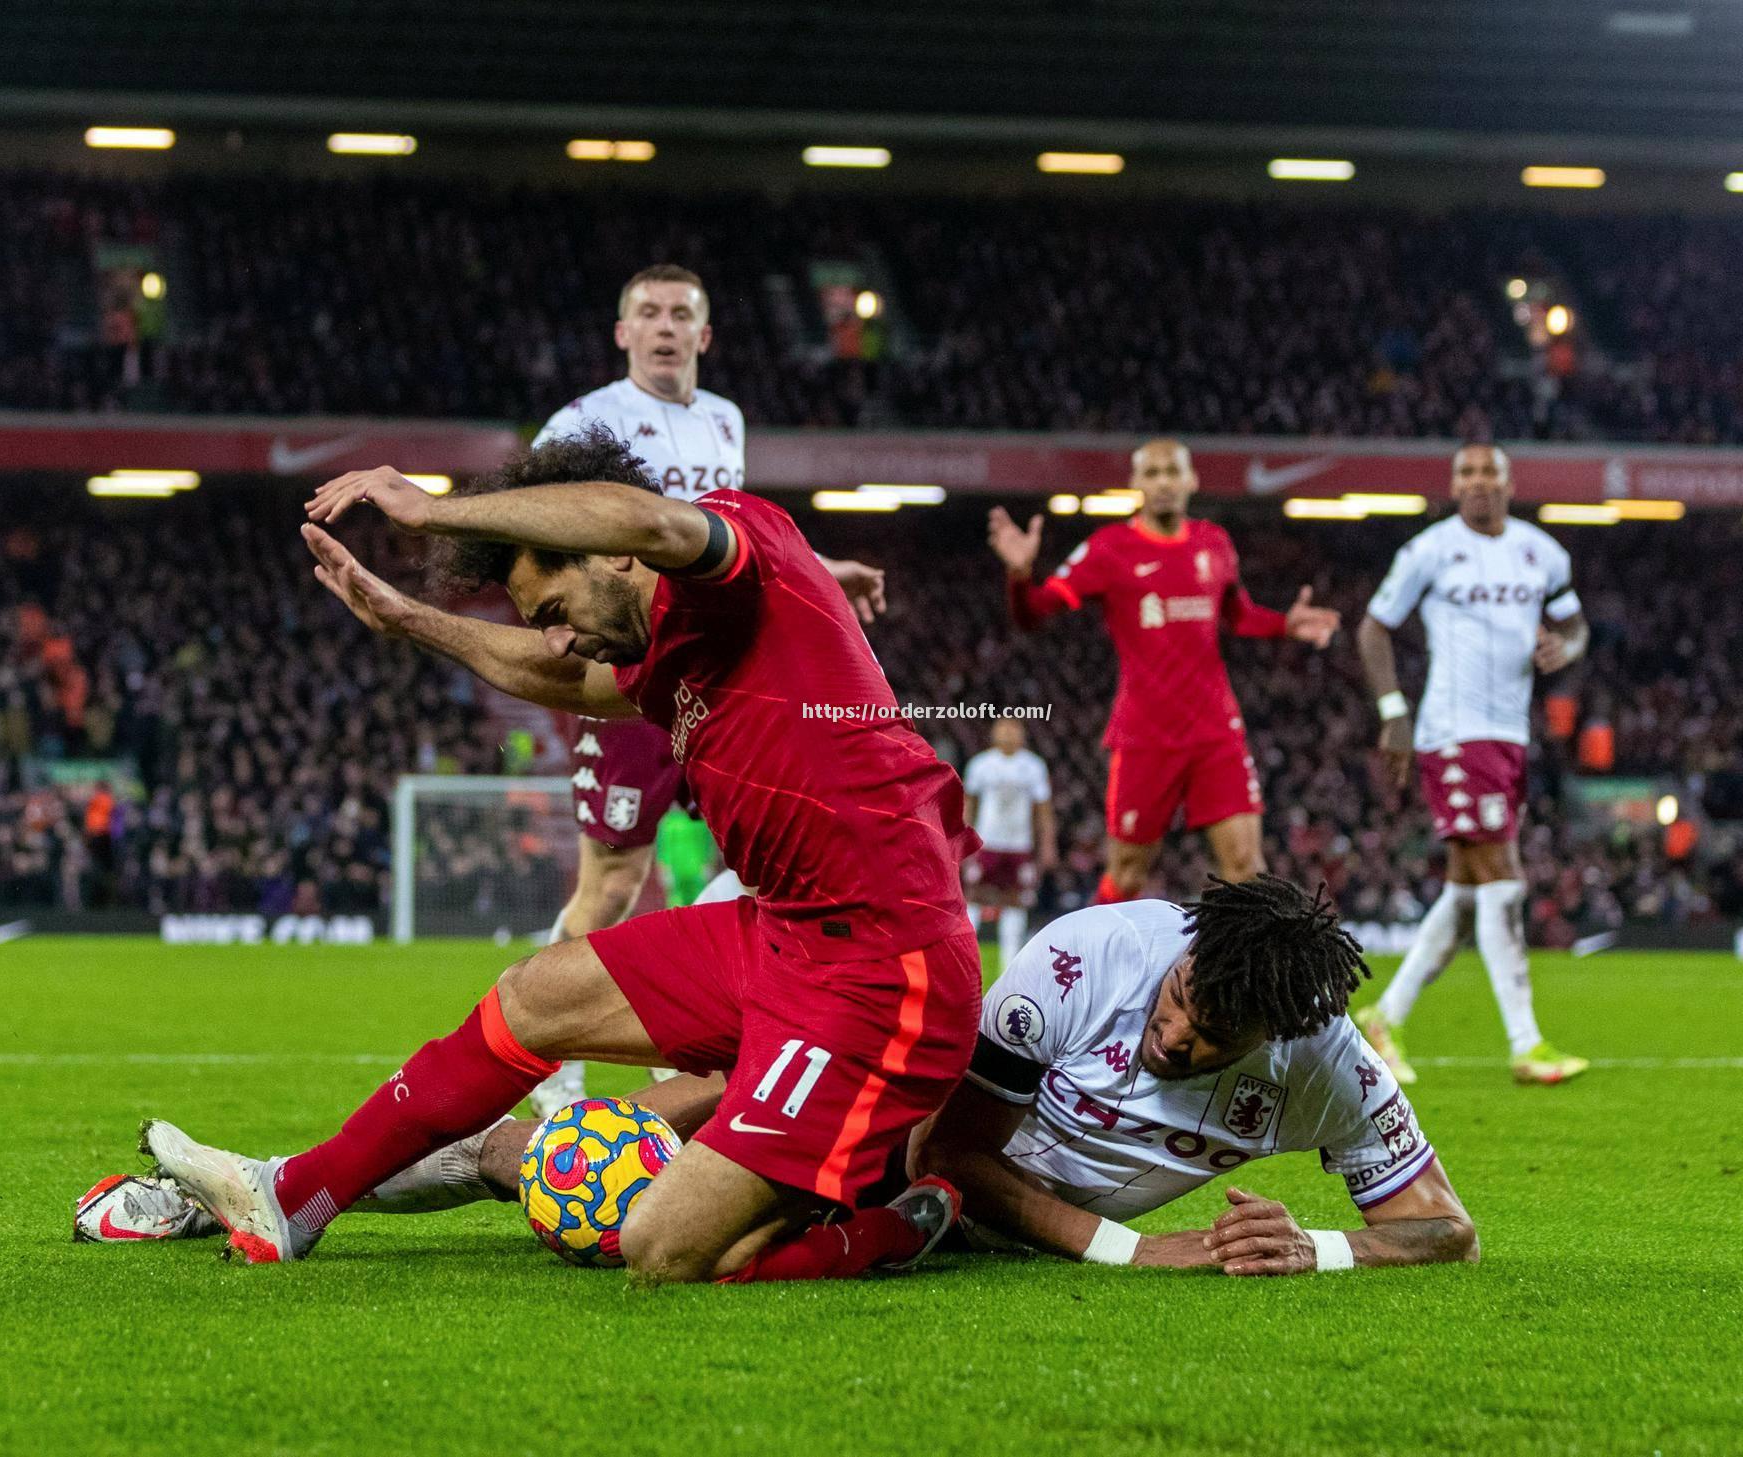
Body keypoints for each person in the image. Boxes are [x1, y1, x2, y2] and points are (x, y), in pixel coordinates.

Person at [138, 428, 982, 1283]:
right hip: (785, 936)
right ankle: (292, 1197)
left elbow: (644, 520)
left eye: (552, 611)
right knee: (533, 994)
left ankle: (882, 1224)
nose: (554, 638)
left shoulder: (740, 544)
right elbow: (569, 683)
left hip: (885, 967)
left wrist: (431, 512)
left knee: (664, 1250)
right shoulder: (660, 648)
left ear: (609, 556)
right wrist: (409, 618)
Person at [91, 877, 1477, 1281]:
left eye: (1208, 1043)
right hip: (908, 1142)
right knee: (576, 1164)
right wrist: (1134, 1250)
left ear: (1276, 1047)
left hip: (926, 1197)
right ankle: (282, 1189)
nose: (1175, 1039)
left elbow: (1444, 1230)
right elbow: (957, 1151)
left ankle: (279, 1192)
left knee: (586, 1158)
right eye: (1179, 1006)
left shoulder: (1324, 1066)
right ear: (1176, 956)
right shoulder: (1090, 959)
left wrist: (1322, 1249)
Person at [528, 263, 886, 1115]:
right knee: (613, 886)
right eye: (646, 312)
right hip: (633, 668)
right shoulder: (583, 421)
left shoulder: (724, 419)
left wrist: (824, 571)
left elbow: (728, 542)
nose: (663, 326)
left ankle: (694, 1043)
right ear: (621, 333)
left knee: (761, 869)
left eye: (679, 314)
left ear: (705, 332)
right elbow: (533, 518)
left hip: (724, 672)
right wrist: (551, 608)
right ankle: (550, 1061)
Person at [987, 439, 1339, 905]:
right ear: (1135, 483)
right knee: (1127, 875)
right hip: (1145, 735)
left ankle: (1240, 979)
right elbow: (1033, 613)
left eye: (1172, 472)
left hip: (1216, 731)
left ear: (1191, 479)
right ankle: (1102, 974)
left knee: (1246, 868)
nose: (1163, 483)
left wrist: (1284, 625)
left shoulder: (1213, 543)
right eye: (1151, 473)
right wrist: (1019, 577)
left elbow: (1239, 615)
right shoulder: (1110, 550)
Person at [1353, 443, 1591, 1086]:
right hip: (1455, 732)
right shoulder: (1430, 550)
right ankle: (1526, 1042)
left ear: (1510, 483)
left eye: (1490, 472)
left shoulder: (1543, 553)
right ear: (1454, 486)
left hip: (1509, 733)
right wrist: (1394, 710)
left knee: (1465, 892)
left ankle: (1384, 1019)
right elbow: (1373, 628)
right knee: (1501, 877)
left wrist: (1561, 647)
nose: (1479, 482)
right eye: (1467, 474)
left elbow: (1576, 627)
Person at [961, 716, 1056, 969]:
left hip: (1018, 845)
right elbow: (969, 805)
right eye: (1003, 728)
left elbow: (1043, 810)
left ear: (1022, 734)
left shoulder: (1033, 766)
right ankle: (965, 958)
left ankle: (1010, 966)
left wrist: (1047, 845)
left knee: (1016, 900)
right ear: (994, 733)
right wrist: (962, 839)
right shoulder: (981, 764)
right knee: (975, 896)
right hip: (987, 842)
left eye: (1014, 729)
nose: (1008, 733)